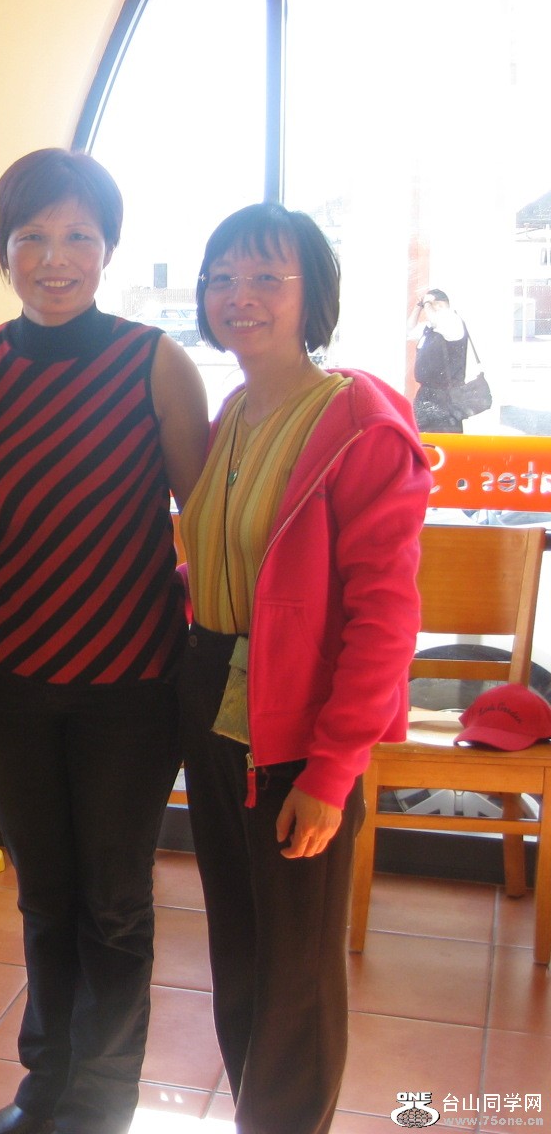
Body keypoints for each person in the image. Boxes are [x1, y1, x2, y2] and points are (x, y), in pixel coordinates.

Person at [0, 149, 210, 1134]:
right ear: (4, 252)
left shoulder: (154, 363)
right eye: (32, 238)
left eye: (77, 237)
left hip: (131, 683)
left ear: (107, 250)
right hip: (9, 678)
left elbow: (203, 523)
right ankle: (44, 1089)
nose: (54, 258)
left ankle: (100, 1105)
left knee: (113, 899)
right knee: (43, 894)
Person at [179, 203, 428, 1133]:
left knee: (296, 971)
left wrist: (331, 773)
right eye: (222, 277)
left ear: (311, 295)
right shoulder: (233, 413)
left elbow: (385, 619)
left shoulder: (359, 424)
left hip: (297, 717)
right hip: (214, 697)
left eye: (266, 277)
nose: (239, 295)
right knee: (241, 949)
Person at [409, 287, 471, 433]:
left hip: (446, 396)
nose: (426, 308)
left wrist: (427, 303)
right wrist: (418, 307)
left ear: (440, 304)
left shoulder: (453, 321)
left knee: (445, 436)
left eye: (428, 304)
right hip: (426, 393)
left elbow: (436, 321)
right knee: (421, 436)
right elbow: (409, 331)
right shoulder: (429, 328)